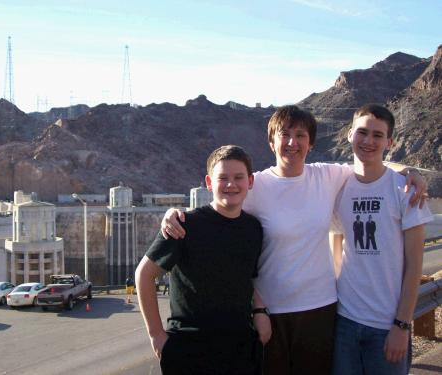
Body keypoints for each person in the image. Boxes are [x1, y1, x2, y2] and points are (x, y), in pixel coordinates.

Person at [161, 105, 428, 375]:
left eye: (301, 135)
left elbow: (371, 162)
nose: (292, 142)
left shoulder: (328, 176)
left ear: (310, 143)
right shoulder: (255, 185)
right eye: (284, 134)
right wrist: (174, 214)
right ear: (271, 141)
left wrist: (410, 173)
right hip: (270, 314)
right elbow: (221, 208)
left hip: (321, 311)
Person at [136, 145, 269, 375]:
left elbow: (250, 276)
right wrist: (156, 335)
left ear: (250, 181)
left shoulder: (253, 228)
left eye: (238, 177)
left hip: (241, 348)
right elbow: (144, 275)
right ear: (209, 183)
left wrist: (260, 312)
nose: (231, 184)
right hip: (189, 349)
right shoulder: (184, 225)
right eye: (223, 178)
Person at [331, 104, 433, 375]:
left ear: (390, 142)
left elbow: (414, 265)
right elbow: (336, 250)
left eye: (378, 135)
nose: (368, 141)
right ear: (349, 134)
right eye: (362, 132)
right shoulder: (338, 185)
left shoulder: (406, 190)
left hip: (386, 324)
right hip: (344, 322)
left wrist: (402, 324)